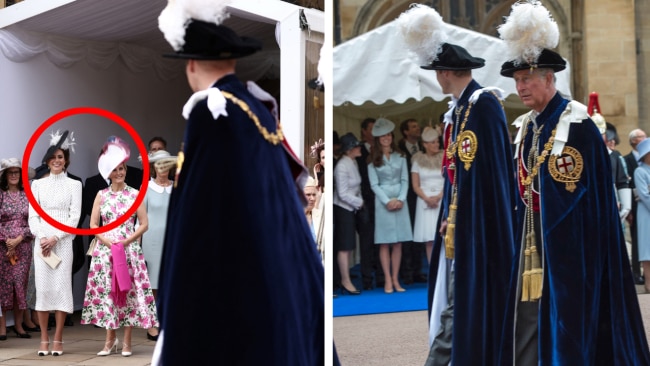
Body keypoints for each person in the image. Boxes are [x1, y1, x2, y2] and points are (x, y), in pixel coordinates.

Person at [154, 2, 327, 364]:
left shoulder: (212, 109)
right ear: (232, 60)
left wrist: (182, 288)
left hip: (233, 273)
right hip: (277, 262)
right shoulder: (257, 104)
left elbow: (200, 210)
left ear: (190, 64)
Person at [497, 1, 650, 363]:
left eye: (527, 79)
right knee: (527, 316)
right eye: (517, 81)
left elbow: (588, 198)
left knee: (569, 323)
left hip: (573, 250)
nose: (520, 87)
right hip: (531, 241)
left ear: (549, 79)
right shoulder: (528, 127)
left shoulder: (577, 125)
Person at [397, 5, 517, 364]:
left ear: (446, 72)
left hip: (478, 224)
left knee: (460, 298)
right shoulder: (460, 109)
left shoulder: (483, 106)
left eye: (437, 73)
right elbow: (459, 171)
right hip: (459, 222)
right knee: (453, 298)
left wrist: (466, 215)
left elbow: (491, 176)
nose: (436, 78)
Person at [81, 137, 157, 357]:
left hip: (129, 251)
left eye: (122, 168)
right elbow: (94, 224)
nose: (120, 172)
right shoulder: (101, 195)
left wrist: (126, 241)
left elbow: (144, 224)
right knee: (108, 295)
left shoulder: (135, 195)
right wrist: (107, 241)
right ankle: (109, 340)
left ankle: (127, 342)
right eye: (115, 170)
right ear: (109, 173)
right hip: (106, 252)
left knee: (129, 295)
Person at [27, 130, 82, 356]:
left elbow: (74, 217)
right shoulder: (37, 185)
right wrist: (42, 238)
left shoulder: (74, 185)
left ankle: (58, 339)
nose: (57, 161)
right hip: (42, 245)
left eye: (60, 157)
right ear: (47, 160)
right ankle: (43, 339)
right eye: (53, 157)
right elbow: (33, 216)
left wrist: (55, 237)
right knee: (44, 290)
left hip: (63, 241)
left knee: (61, 290)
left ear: (65, 159)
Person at [368, 118, 412, 294]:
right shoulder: (372, 159)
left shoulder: (400, 156)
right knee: (385, 243)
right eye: (382, 135)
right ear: (377, 139)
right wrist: (387, 201)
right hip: (383, 203)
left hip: (401, 201)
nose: (386, 138)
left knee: (399, 242)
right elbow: (373, 184)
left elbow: (405, 179)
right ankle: (387, 279)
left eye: (388, 134)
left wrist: (400, 199)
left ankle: (396, 278)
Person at [141, 149, 176, 341]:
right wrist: (137, 245)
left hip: (171, 240)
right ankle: (153, 324)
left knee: (169, 283)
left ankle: (168, 321)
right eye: (159, 164)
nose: (162, 168)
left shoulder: (177, 187)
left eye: (165, 164)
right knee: (153, 284)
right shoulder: (146, 187)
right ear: (153, 167)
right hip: (151, 241)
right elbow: (140, 219)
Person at [0, 158, 34, 340]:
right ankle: (3, 327)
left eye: (16, 172)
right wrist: (7, 241)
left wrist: (19, 238)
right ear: (5, 175)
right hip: (2, 247)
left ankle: (19, 326)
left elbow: (36, 220)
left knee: (20, 285)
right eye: (10, 172)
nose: (14, 175)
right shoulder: (0, 194)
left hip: (24, 246)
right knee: (3, 285)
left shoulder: (28, 194)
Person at [333, 132, 364, 295]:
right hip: (343, 209)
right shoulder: (342, 166)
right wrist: (360, 203)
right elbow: (342, 193)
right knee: (344, 247)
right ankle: (345, 280)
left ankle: (345, 277)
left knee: (349, 245)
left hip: (351, 208)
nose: (359, 148)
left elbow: (355, 188)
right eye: (356, 146)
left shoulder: (352, 162)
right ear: (348, 150)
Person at [397, 118, 427, 284]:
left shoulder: (423, 148)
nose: (418, 129)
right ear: (406, 132)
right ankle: (406, 271)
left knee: (419, 235)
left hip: (421, 196)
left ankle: (417, 270)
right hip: (405, 196)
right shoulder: (400, 149)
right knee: (406, 235)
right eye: (414, 127)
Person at [410, 127, 444, 263]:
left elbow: (449, 181)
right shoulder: (417, 160)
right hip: (424, 200)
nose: (436, 145)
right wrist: (427, 199)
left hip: (441, 199)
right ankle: (432, 269)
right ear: (425, 144)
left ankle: (444, 270)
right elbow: (415, 185)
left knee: (443, 235)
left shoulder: (444, 158)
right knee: (429, 239)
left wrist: (438, 197)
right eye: (433, 142)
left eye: (437, 141)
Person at [356, 117, 382, 290]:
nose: (374, 133)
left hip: (381, 201)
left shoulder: (381, 151)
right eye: (371, 129)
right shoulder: (358, 152)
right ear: (364, 131)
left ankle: (381, 277)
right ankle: (366, 279)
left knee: (382, 240)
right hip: (365, 201)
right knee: (366, 242)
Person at [625, 128, 648, 284]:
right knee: (644, 246)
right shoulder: (638, 169)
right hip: (642, 210)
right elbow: (643, 193)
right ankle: (643, 279)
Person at [635, 138, 650, 292]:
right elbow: (644, 195)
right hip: (646, 213)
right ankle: (648, 283)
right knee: (647, 250)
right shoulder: (640, 171)